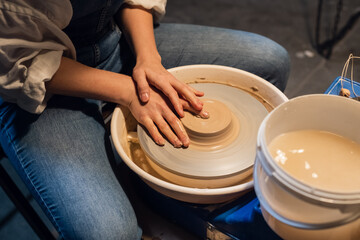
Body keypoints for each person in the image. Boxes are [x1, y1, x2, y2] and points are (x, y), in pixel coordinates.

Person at [0, 0, 290, 239]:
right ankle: (140, 206)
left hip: (111, 41)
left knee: (270, 60)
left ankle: (144, 192)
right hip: (35, 84)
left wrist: (149, 59)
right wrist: (127, 91)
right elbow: (21, 62)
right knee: (108, 234)